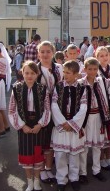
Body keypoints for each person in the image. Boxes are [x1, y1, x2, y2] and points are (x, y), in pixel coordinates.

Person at [8, 61, 51, 191]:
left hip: (38, 127)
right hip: (24, 127)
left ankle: (37, 181)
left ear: (37, 74)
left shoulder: (43, 89)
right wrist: (21, 126)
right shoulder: (16, 88)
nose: (29, 76)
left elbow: (47, 109)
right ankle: (29, 182)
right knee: (26, 156)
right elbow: (12, 110)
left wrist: (40, 124)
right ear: (22, 72)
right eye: (27, 73)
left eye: (32, 73)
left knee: (38, 155)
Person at [51, 60, 88, 191]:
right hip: (61, 126)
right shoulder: (58, 87)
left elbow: (84, 108)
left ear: (76, 74)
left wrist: (72, 123)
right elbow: (54, 105)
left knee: (74, 155)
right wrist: (62, 122)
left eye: (68, 73)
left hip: (74, 127)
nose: (65, 75)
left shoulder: (82, 88)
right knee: (60, 154)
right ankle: (61, 179)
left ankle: (74, 178)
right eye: (64, 72)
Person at [78, 57, 110, 183]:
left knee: (97, 146)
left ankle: (96, 170)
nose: (92, 72)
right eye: (90, 69)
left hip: (98, 116)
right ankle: (83, 172)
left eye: (95, 69)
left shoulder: (101, 81)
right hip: (85, 119)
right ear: (85, 69)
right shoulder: (80, 83)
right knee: (84, 146)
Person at [36, 41, 63, 184]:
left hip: (57, 109)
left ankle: (48, 167)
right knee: (42, 140)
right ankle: (41, 170)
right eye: (43, 51)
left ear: (53, 53)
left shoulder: (59, 67)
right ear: (38, 53)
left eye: (48, 51)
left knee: (53, 140)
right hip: (41, 109)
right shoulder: (35, 69)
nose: (45, 54)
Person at [95, 47, 110, 170]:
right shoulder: (95, 69)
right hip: (100, 103)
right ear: (97, 57)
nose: (104, 58)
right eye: (101, 56)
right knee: (101, 131)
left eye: (106, 55)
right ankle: (101, 158)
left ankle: (108, 156)